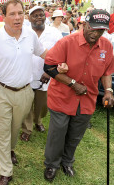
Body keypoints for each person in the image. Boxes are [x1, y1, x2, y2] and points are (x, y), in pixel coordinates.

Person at [0, 0, 48, 185]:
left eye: (20, 13)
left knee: (15, 129)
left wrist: (61, 62)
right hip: (1, 91)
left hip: (25, 92)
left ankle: (10, 150)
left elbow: (43, 53)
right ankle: (6, 172)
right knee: (2, 132)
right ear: (4, 16)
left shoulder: (30, 35)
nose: (17, 18)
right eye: (12, 14)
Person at [43, 9, 114, 182]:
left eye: (101, 30)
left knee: (75, 134)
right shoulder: (67, 42)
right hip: (62, 97)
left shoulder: (106, 46)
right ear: (85, 24)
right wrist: (73, 84)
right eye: (93, 28)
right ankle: (52, 164)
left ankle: (67, 162)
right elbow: (49, 67)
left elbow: (106, 71)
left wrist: (109, 91)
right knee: (57, 133)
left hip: (87, 100)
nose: (96, 34)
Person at [20, 6, 63, 142]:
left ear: (45, 17)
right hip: (25, 76)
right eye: (35, 15)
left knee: (42, 105)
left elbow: (60, 54)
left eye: (41, 15)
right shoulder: (23, 32)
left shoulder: (54, 33)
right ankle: (27, 129)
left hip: (45, 76)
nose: (38, 17)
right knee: (26, 104)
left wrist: (49, 73)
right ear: (29, 18)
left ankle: (38, 121)